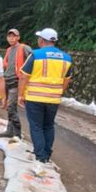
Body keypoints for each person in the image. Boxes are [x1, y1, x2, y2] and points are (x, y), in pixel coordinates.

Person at [18, 28, 72, 163]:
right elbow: (67, 80)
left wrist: (20, 95)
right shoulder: (66, 58)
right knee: (48, 126)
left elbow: (24, 76)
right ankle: (47, 153)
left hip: (35, 97)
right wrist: (58, 92)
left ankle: (40, 156)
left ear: (41, 40)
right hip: (53, 99)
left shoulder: (35, 54)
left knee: (36, 126)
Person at [0, 29, 32, 140]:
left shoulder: (24, 48)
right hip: (7, 80)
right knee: (9, 107)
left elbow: (32, 61)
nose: (11, 38)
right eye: (9, 36)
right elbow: (5, 64)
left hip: (16, 82)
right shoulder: (8, 50)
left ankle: (17, 133)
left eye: (14, 36)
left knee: (11, 107)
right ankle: (9, 130)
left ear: (18, 37)